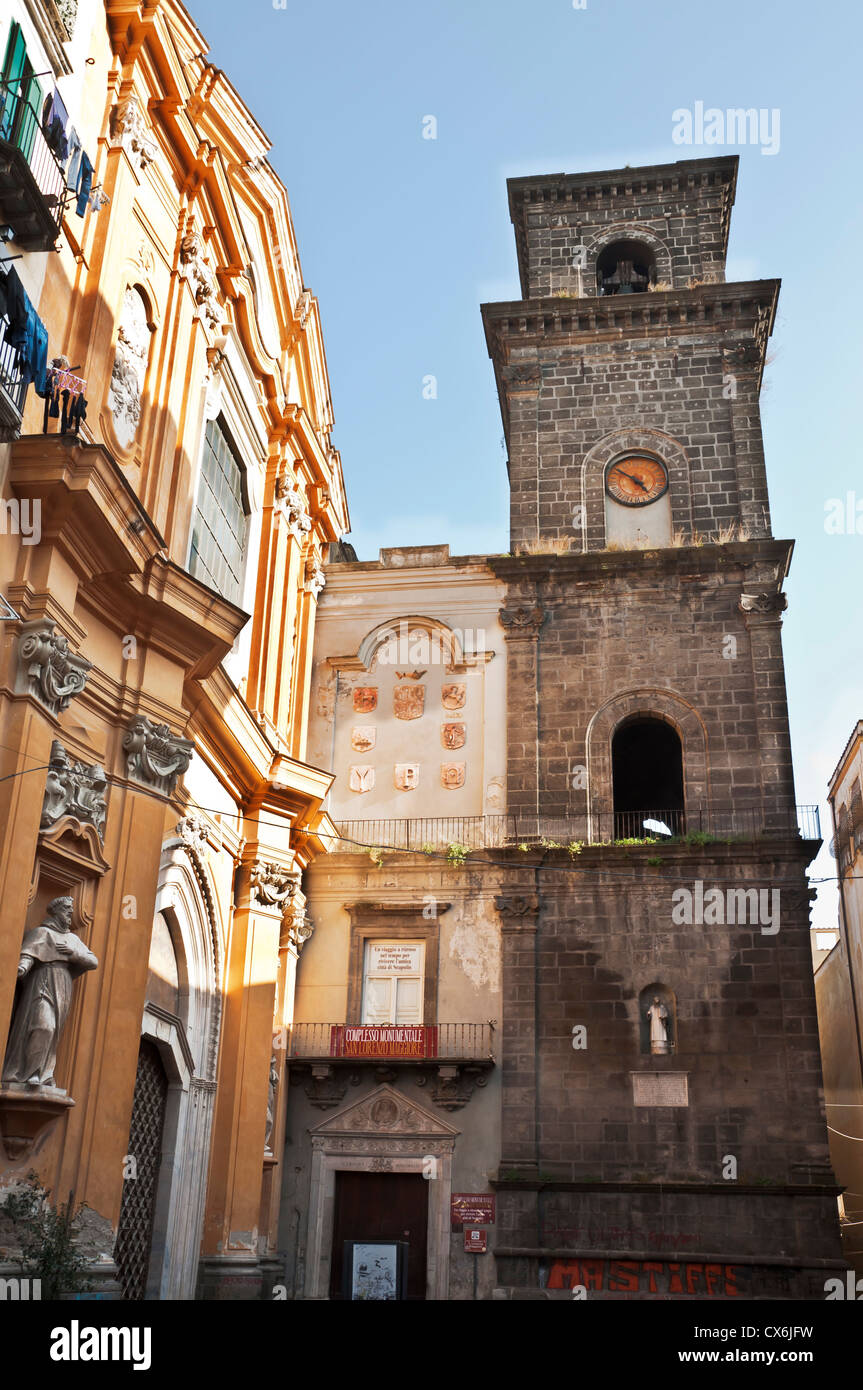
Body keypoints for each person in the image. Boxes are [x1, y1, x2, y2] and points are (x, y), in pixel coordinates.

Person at [2, 897, 98, 1089]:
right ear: (56, 912)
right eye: (67, 911)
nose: (70, 915)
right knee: (44, 1026)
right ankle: (29, 1072)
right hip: (42, 980)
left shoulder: (72, 940)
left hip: (63, 985)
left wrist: (73, 953)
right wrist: (23, 966)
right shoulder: (42, 933)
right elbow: (28, 953)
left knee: (54, 1032)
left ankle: (45, 1073)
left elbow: (93, 961)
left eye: (71, 912)